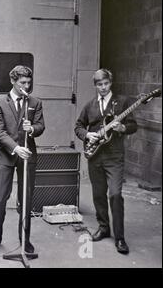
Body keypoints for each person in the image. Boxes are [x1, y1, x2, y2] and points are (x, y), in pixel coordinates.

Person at [74, 69, 137, 255]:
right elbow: (78, 126)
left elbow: (134, 125)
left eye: (106, 84)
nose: (103, 87)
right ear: (95, 86)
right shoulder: (89, 105)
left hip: (114, 157)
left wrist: (123, 126)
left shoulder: (123, 102)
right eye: (99, 84)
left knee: (115, 194)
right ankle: (103, 227)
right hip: (95, 157)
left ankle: (120, 238)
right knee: (99, 194)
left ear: (111, 83)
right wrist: (87, 134)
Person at [0, 65, 45, 253]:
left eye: (29, 83)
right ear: (13, 81)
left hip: (28, 156)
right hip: (6, 155)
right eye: (22, 83)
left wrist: (33, 129)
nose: (26, 86)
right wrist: (15, 148)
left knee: (26, 199)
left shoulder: (35, 102)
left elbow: (41, 126)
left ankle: (25, 239)